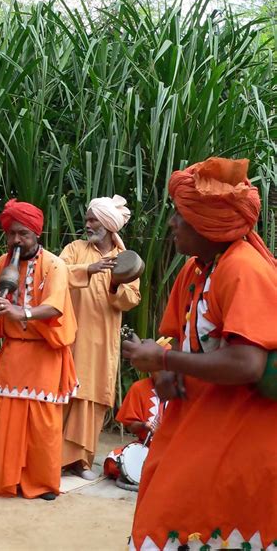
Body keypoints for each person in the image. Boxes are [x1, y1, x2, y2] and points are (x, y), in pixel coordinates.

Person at [122, 157, 277, 550]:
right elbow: (173, 339)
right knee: (161, 522)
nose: (172, 224)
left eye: (181, 215)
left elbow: (248, 363)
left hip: (236, 435)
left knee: (178, 526)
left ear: (211, 225)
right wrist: (162, 369)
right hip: (191, 425)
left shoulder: (244, 270)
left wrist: (165, 362)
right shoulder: (194, 271)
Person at [0, 199, 78, 500]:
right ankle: (1, 480)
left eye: (23, 234)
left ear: (36, 234)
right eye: (12, 234)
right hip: (14, 350)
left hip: (44, 351)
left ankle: (43, 482)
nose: (17, 240)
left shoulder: (56, 265)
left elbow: (54, 307)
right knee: (3, 414)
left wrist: (22, 312)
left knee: (42, 420)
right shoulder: (2, 263)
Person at [60, 195, 141, 479]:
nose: (88, 224)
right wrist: (88, 269)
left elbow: (131, 299)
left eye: (93, 219)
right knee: (65, 392)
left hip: (101, 340)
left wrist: (115, 284)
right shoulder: (75, 249)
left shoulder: (126, 258)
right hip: (69, 335)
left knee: (92, 396)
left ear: (108, 225)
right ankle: (53, 458)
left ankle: (81, 461)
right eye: (88, 218)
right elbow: (55, 274)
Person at [103, 374, 164, 480]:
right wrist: (144, 425)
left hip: (171, 450)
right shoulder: (139, 388)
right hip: (146, 447)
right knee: (113, 462)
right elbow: (130, 427)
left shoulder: (182, 390)